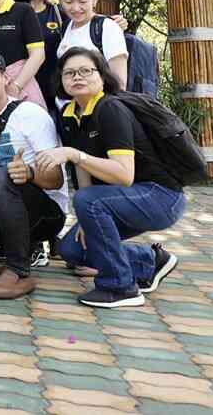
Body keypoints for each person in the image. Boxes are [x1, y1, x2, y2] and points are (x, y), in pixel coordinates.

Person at [37, 47, 183, 308]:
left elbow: (124, 175)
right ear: (61, 80)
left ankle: (120, 287)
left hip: (160, 196)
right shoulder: (69, 114)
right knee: (73, 250)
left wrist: (74, 155)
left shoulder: (111, 109)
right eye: (69, 73)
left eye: (86, 71)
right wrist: (86, 220)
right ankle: (150, 261)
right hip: (121, 198)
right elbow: (83, 170)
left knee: (88, 200)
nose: (77, 77)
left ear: (102, 76)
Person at [0, 49, 70, 300]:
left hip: (45, 213)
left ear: (5, 77)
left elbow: (56, 180)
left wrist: (29, 172)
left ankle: (19, 270)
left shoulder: (30, 114)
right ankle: (20, 248)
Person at [56, 0, 129, 90]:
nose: (76, 8)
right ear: (59, 0)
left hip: (98, 100)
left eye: (82, 2)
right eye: (68, 2)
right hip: (68, 101)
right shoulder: (66, 26)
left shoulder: (107, 28)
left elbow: (119, 83)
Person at [11, 0, 66, 114]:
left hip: (54, 93)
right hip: (19, 91)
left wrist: (114, 22)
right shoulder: (10, 12)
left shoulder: (58, 12)